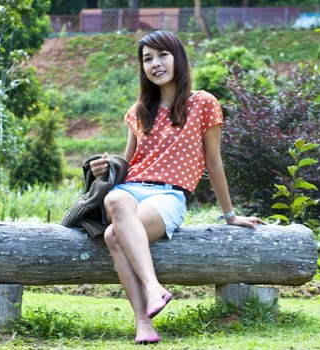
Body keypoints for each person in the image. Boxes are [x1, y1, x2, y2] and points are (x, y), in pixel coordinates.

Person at [89, 30, 265, 345]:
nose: (155, 64)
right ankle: (152, 290)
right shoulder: (138, 111)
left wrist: (230, 215)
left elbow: (214, 163)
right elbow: (125, 166)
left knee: (113, 235)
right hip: (130, 191)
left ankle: (144, 321)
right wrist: (103, 167)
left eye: (162, 55)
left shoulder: (203, 103)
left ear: (178, 58)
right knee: (115, 199)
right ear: (142, 67)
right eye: (147, 59)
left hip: (167, 195)